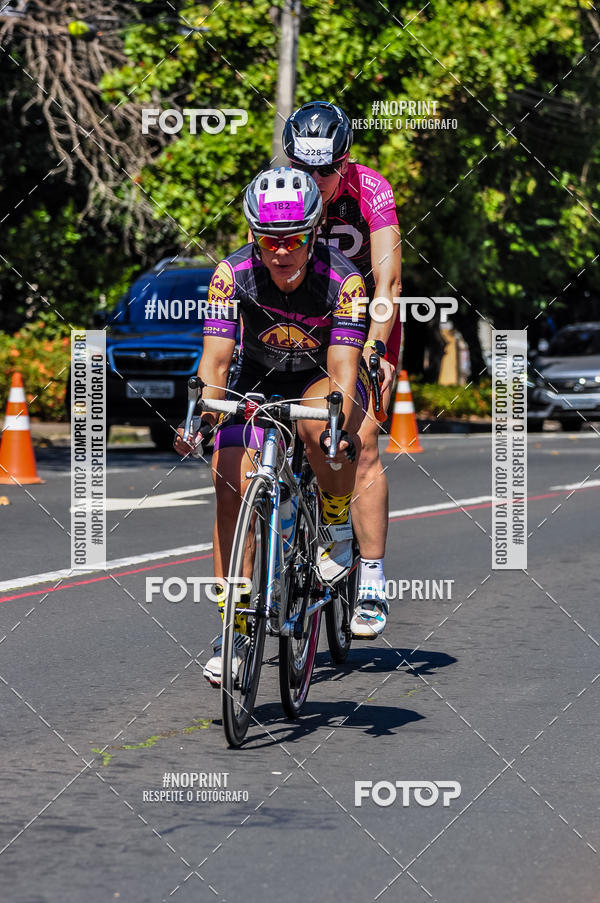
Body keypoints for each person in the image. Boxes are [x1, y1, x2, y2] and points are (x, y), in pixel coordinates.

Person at [176, 166, 370, 686]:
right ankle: (233, 629)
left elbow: (345, 374)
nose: (281, 252)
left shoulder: (344, 281)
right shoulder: (230, 275)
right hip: (256, 381)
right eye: (268, 240)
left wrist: (335, 427)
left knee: (317, 433)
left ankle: (333, 520)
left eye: (293, 240)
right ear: (252, 236)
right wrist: (201, 418)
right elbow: (215, 364)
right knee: (227, 481)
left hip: (322, 378)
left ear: (313, 232)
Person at [282, 101, 402, 640]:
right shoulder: (283, 187)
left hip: (366, 321)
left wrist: (376, 350)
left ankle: (371, 577)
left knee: (363, 437)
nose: (315, 182)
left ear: (345, 160)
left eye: (325, 172)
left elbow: (388, 284)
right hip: (306, 323)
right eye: (304, 169)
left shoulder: (371, 189)